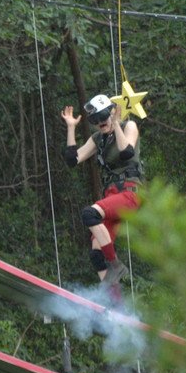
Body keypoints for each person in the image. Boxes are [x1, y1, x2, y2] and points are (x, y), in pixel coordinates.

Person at [61, 93, 143, 299]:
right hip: (112, 196)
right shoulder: (98, 138)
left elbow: (126, 152)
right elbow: (72, 159)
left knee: (89, 214)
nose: (100, 122)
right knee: (96, 253)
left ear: (112, 113)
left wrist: (116, 123)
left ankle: (116, 265)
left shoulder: (129, 126)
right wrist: (71, 127)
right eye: (95, 120)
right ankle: (116, 304)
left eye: (103, 117)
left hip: (129, 193)